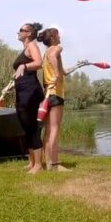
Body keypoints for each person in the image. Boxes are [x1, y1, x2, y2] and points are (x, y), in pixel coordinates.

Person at [13, 22, 45, 174]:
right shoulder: (25, 49)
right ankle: (32, 161)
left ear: (29, 33)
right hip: (22, 91)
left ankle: (38, 165)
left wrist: (24, 66)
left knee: (32, 127)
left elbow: (39, 63)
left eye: (21, 30)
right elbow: (20, 72)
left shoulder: (32, 45)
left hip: (31, 91)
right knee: (25, 126)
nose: (18, 32)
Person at [38, 27, 71, 172]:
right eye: (57, 34)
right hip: (55, 94)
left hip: (47, 94)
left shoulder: (46, 53)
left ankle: (49, 163)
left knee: (48, 131)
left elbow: (64, 72)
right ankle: (55, 165)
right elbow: (57, 68)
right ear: (52, 38)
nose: (60, 37)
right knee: (54, 129)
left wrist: (79, 65)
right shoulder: (56, 48)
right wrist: (57, 75)